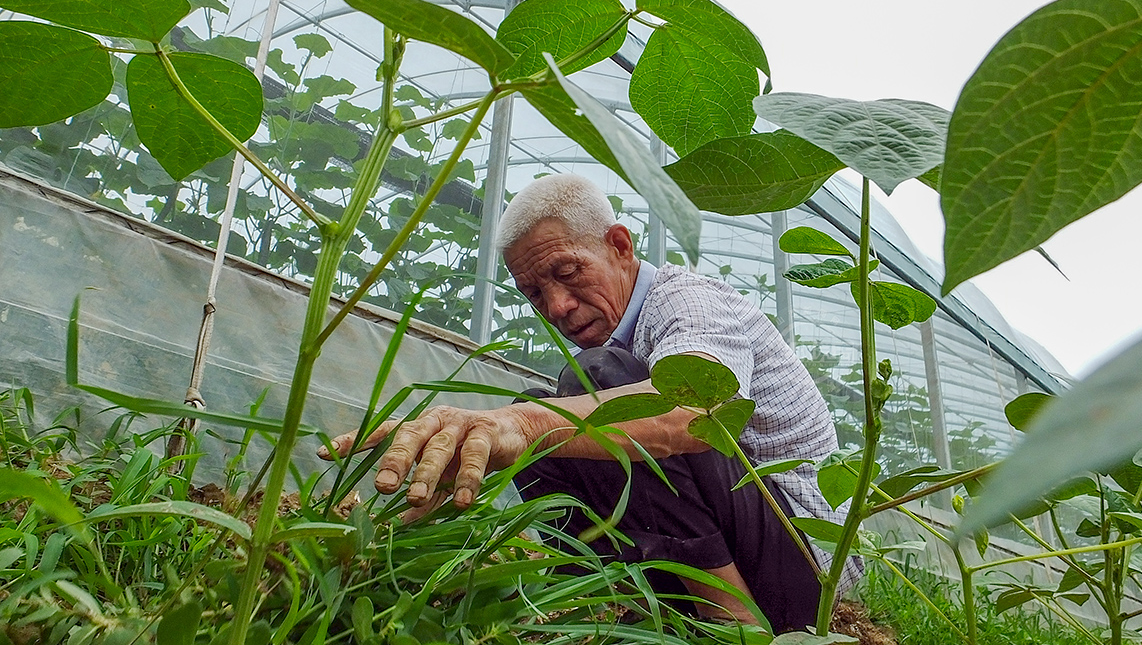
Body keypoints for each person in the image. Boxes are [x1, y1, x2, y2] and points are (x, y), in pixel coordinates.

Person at [318, 174, 859, 632]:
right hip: (747, 546)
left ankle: (730, 625)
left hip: (807, 566)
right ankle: (627, 613)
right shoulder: (618, 331)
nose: (557, 305)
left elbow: (697, 413)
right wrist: (472, 451)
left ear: (619, 246)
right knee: (551, 417)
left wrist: (524, 422)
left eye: (568, 273)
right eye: (534, 293)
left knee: (583, 390)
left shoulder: (685, 300)